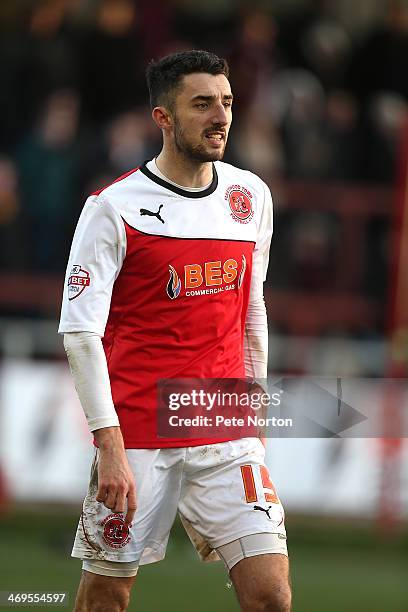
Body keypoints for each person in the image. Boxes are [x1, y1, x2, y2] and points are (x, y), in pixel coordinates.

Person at [59, 49, 291, 612]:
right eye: (203, 104)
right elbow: (79, 333)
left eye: (228, 103)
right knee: (108, 596)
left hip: (223, 424)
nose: (221, 117)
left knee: (271, 598)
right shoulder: (114, 208)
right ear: (163, 117)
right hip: (138, 433)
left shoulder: (249, 196)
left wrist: (254, 411)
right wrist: (107, 444)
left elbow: (251, 310)